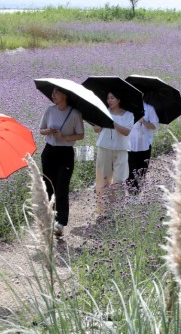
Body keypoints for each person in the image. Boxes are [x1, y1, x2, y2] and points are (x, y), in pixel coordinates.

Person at [39, 86, 85, 237]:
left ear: (65, 95)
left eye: (56, 92)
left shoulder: (75, 113)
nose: (53, 95)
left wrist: (64, 138)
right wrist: (49, 131)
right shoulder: (49, 110)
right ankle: (48, 219)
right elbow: (41, 130)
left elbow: (80, 135)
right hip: (49, 151)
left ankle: (61, 223)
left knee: (61, 188)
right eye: (52, 92)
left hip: (65, 153)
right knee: (48, 187)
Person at [93, 90, 135, 214]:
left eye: (112, 98)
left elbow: (126, 132)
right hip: (104, 148)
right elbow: (96, 129)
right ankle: (105, 210)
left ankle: (119, 210)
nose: (109, 101)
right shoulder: (103, 112)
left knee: (120, 180)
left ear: (119, 100)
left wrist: (112, 122)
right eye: (108, 98)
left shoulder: (128, 115)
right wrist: (99, 124)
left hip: (121, 149)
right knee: (104, 179)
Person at [127, 98, 159, 193]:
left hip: (144, 146)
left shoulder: (149, 108)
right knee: (130, 173)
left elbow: (154, 126)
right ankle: (131, 196)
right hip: (130, 146)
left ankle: (138, 194)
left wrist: (143, 121)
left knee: (141, 172)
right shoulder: (128, 108)